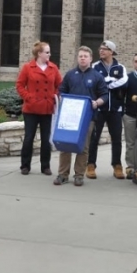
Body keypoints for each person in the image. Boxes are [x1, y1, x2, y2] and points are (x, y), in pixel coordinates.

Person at [54, 46, 107, 187]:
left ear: (91, 59)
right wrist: (61, 99)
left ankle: (79, 175)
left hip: (87, 118)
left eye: (85, 56)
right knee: (65, 145)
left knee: (83, 147)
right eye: (80, 56)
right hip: (69, 117)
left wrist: (97, 103)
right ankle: (62, 174)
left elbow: (105, 95)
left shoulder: (97, 76)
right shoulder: (70, 75)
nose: (82, 58)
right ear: (77, 58)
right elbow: (61, 91)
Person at [15, 41, 62, 175]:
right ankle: (25, 165)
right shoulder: (28, 67)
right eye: (47, 52)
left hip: (47, 108)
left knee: (46, 139)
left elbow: (61, 85)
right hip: (31, 109)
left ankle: (45, 166)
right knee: (29, 137)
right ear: (39, 53)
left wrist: (55, 96)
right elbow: (19, 85)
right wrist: (28, 97)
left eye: (49, 52)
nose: (49, 54)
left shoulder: (53, 68)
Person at [87, 40, 128, 179]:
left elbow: (124, 81)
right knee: (94, 138)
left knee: (116, 138)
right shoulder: (95, 66)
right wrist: (107, 83)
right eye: (100, 48)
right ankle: (91, 164)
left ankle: (117, 165)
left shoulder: (120, 67)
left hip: (115, 109)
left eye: (104, 49)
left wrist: (108, 84)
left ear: (111, 51)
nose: (101, 51)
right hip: (99, 108)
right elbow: (93, 82)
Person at [122, 53, 137, 180]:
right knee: (130, 143)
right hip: (130, 115)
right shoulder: (128, 77)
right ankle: (130, 167)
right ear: (133, 63)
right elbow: (123, 95)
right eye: (136, 61)